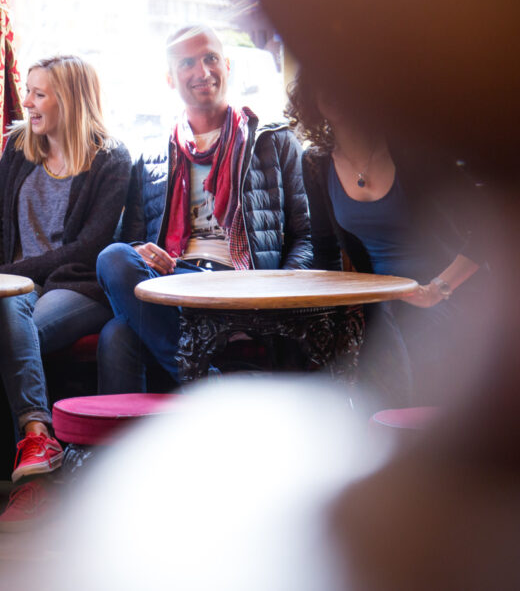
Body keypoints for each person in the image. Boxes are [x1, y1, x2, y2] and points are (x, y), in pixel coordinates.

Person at [96, 25, 311, 393]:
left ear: (227, 66)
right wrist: (140, 251)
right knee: (113, 260)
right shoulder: (152, 154)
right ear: (170, 78)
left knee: (118, 333)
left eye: (211, 58)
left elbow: (306, 236)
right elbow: (133, 241)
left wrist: (279, 293)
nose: (202, 71)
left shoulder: (274, 140)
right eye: (187, 63)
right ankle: (207, 385)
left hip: (246, 284)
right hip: (177, 282)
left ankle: (196, 389)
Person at [0, 55, 131, 531]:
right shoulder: (19, 147)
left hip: (79, 287)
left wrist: (11, 275)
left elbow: (90, 248)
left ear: (70, 100)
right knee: (8, 315)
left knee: (20, 337)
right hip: (18, 286)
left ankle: (34, 487)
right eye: (28, 91)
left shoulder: (111, 158)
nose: (26, 102)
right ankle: (37, 441)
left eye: (38, 94)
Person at [291, 72, 483, 406]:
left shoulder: (415, 149)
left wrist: (437, 290)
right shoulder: (316, 163)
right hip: (378, 304)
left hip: (446, 295)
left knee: (414, 344)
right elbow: (325, 250)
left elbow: (487, 227)